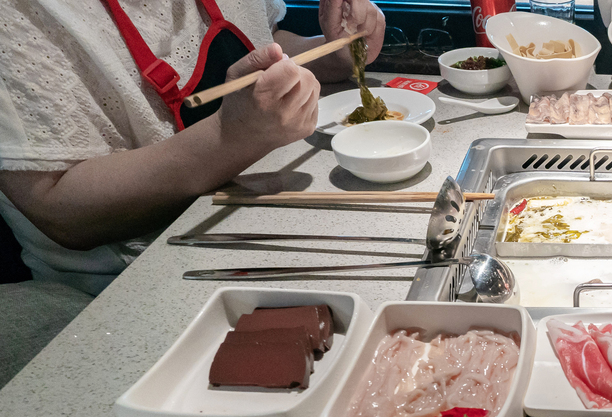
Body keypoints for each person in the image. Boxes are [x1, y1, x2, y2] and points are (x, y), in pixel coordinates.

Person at [0, 0, 386, 294]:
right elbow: (56, 209)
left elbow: (266, 42)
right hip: (123, 286)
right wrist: (230, 138)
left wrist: (336, 53)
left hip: (254, 222)